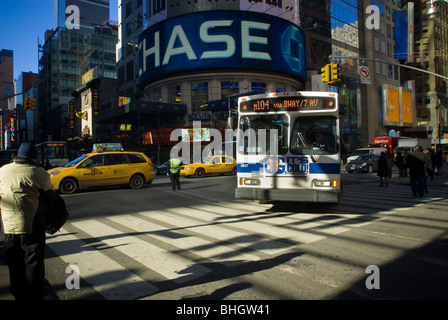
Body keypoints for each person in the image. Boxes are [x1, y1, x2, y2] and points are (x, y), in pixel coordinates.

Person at [0, 142, 56, 300]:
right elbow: (51, 195)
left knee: (14, 262)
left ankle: (18, 293)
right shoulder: (37, 172)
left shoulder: (3, 170)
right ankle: (34, 294)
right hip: (31, 224)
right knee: (33, 262)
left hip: (9, 226)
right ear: (34, 158)